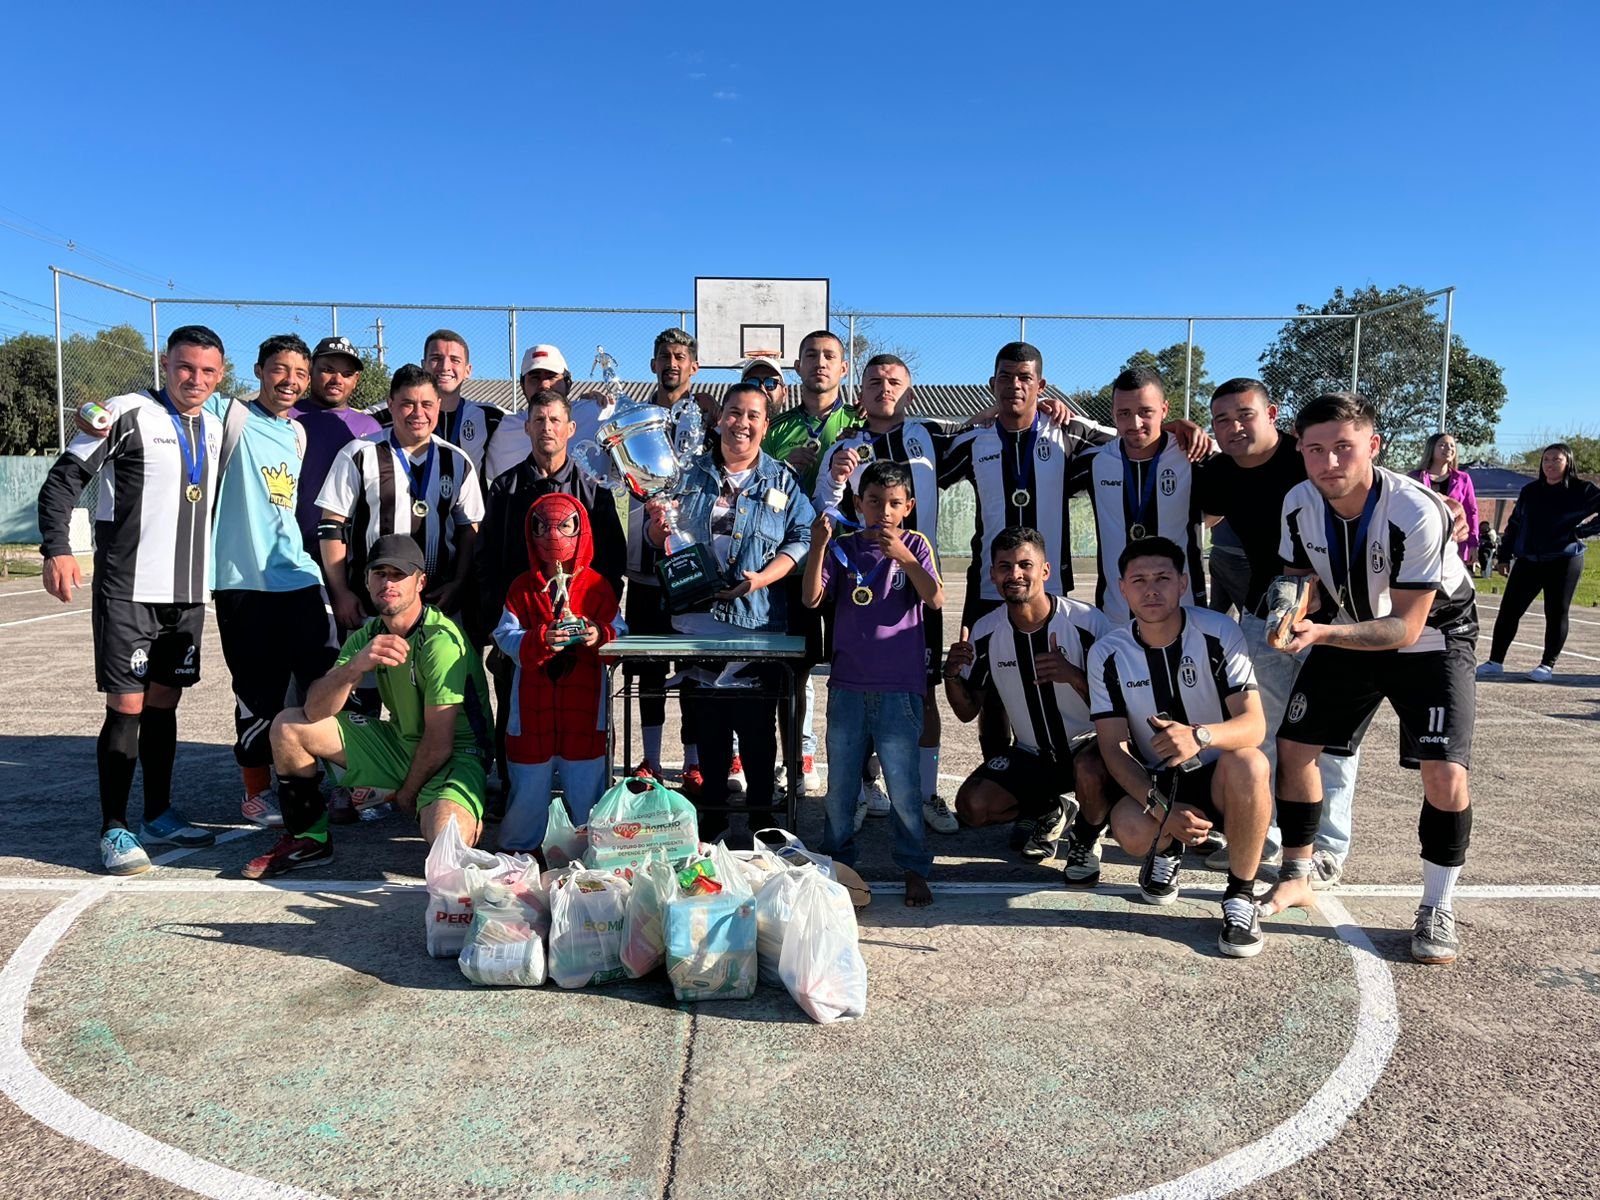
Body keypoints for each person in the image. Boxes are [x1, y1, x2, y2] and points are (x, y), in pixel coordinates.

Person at [1264, 393, 1478, 965]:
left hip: (1432, 637)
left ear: (1373, 446)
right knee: (1295, 747)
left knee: (1444, 771)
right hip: (1347, 625)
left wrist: (1319, 633)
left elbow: (1405, 629)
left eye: (1343, 448)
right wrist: (1287, 607)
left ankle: (1438, 904)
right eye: (1315, 450)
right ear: (1300, 452)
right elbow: (1299, 575)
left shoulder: (1415, 508)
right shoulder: (1297, 502)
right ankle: (1297, 873)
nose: (1329, 462)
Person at [36, 325, 227, 874]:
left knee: (166, 702)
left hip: (187, 593)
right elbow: (64, 480)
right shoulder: (124, 411)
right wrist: (57, 548)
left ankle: (159, 814)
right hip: (127, 588)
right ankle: (114, 829)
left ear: (220, 374)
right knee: (127, 705)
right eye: (186, 367)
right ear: (165, 363)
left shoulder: (215, 427)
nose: (196, 379)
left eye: (208, 371)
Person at [1197, 378, 1357, 888]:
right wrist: (1179, 434)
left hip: (1337, 617)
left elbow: (1368, 480)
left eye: (1245, 415)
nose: (1234, 427)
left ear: (1273, 413)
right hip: (1271, 612)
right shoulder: (1219, 472)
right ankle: (1256, 831)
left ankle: (1327, 846)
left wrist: (1443, 505)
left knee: (1329, 739)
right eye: (1221, 420)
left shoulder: (1306, 456)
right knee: (1259, 730)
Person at [644, 382, 815, 843]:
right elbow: (658, 534)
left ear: (765, 424)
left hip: (757, 621)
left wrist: (761, 578)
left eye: (753, 415)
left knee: (758, 731)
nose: (742, 423)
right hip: (697, 621)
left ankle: (762, 821)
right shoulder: (685, 472)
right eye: (734, 413)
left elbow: (801, 538)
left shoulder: (781, 480)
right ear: (720, 419)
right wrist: (657, 532)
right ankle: (713, 820)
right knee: (709, 729)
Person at [1086, 536, 1272, 958]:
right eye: (1139, 580)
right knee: (1131, 830)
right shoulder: (1107, 654)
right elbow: (1114, 749)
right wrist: (1164, 813)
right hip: (1159, 780)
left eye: (1162, 578)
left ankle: (1240, 897)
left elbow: (1253, 725)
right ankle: (1166, 850)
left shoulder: (1219, 631)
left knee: (1252, 764)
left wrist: (1199, 735)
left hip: (1216, 774)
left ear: (1183, 583)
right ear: (1122, 588)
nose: (1151, 590)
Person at [263, 536, 492, 876]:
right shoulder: (368, 634)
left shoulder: (441, 641)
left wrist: (406, 794)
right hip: (402, 745)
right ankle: (308, 838)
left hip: (455, 756)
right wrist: (354, 668)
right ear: (367, 581)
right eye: (379, 573)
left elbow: (440, 743)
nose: (387, 582)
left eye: (398, 574)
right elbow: (314, 710)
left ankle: (459, 809)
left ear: (420, 581)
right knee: (288, 725)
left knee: (448, 844)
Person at [939, 343, 1116, 758]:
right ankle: (1000, 767)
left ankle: (1059, 771)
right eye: (1005, 377)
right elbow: (930, 461)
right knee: (987, 687)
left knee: (1052, 676)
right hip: (988, 584)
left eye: (1025, 378)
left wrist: (1183, 427)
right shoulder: (974, 439)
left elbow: (1130, 437)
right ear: (992, 383)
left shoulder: (1068, 433)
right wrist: (974, 419)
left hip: (1051, 587)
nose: (1014, 385)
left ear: (1041, 384)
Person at [817, 353, 966, 833]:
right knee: (857, 699)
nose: (885, 388)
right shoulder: (843, 445)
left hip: (917, 587)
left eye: (895, 381)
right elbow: (826, 506)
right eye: (875, 381)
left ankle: (925, 794)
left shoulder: (931, 436)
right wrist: (836, 472)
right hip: (858, 588)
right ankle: (863, 789)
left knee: (922, 695)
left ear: (909, 388)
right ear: (858, 390)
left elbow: (985, 426)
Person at [209, 335, 341, 829]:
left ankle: (322, 780)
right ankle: (256, 792)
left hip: (298, 575)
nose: (291, 381)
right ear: (260, 370)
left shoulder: (297, 434)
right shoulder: (229, 417)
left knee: (324, 680)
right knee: (256, 691)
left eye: (300, 374)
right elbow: (170, 401)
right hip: (243, 580)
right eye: (280, 369)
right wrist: (94, 414)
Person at [803, 461, 943, 906]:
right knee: (841, 788)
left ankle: (914, 866)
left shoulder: (916, 544)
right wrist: (819, 547)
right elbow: (811, 598)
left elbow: (936, 598)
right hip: (848, 686)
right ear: (858, 504)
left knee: (904, 788)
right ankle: (837, 864)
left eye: (894, 503)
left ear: (909, 507)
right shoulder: (843, 547)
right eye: (874, 501)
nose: (883, 511)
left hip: (900, 688)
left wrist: (903, 558)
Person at [477, 388, 626, 796]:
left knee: (584, 720)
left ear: (571, 428)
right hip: (525, 625)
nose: (547, 428)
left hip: (580, 629)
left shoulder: (593, 487)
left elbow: (611, 559)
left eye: (555, 420)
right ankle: (517, 798)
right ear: (526, 427)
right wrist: (500, 624)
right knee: (517, 713)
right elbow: (487, 558)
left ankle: (586, 804)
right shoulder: (505, 488)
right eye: (539, 420)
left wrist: (595, 615)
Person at [942, 527, 1117, 870]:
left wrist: (1073, 676)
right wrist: (950, 675)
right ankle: (1051, 809)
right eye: (1005, 567)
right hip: (1032, 755)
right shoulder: (986, 630)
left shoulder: (1087, 623)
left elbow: (1121, 702)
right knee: (972, 807)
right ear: (992, 574)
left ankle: (1086, 835)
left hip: (1088, 747)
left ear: (1045, 571)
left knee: (1090, 767)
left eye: (1025, 564)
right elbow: (966, 711)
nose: (1015, 574)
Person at [492, 493, 620, 853]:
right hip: (532, 703)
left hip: (584, 699)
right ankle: (519, 848)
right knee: (528, 780)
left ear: (581, 531)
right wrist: (539, 639)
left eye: (564, 526)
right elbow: (505, 636)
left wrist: (598, 634)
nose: (553, 535)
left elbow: (619, 630)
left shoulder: (597, 585)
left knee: (587, 782)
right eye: (543, 527)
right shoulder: (521, 587)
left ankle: (591, 847)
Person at [762, 331, 859, 801]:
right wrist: (785, 466)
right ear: (797, 368)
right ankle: (794, 766)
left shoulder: (858, 422)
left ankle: (860, 776)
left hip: (849, 572)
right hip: (794, 571)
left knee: (856, 672)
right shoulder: (775, 429)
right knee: (792, 674)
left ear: (844, 368)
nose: (819, 364)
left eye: (829, 357)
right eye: (811, 356)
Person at [316, 364, 485, 630]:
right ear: (391, 404)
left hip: (438, 604)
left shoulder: (457, 460)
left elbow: (469, 528)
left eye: (427, 404)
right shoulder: (359, 453)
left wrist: (458, 583)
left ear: (438, 406)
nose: (419, 413)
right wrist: (340, 593)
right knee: (372, 671)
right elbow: (331, 526)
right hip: (371, 604)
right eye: (408, 403)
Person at [624, 328, 713, 783]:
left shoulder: (710, 419)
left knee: (695, 666)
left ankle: (695, 759)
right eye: (664, 356)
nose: (672, 363)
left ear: (694, 366)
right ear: (653, 364)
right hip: (642, 567)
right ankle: (652, 758)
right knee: (649, 667)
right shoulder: (633, 418)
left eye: (681, 356)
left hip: (691, 562)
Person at [1072, 365, 1208, 621]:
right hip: (1116, 616)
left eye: (1146, 412)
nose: (1135, 423)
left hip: (1185, 611)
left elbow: (1219, 511)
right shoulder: (1095, 461)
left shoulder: (1193, 455)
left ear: (1164, 410)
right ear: (1112, 414)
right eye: (1124, 413)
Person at [1479, 442, 1600, 682]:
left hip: (1564, 559)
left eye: (1557, 459)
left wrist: (1583, 531)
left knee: (1556, 612)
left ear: (1568, 463)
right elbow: (1514, 524)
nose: (1550, 464)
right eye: (1546, 460)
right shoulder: (1530, 491)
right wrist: (1504, 556)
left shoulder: (1582, 489)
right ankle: (1495, 660)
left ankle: (1547, 664)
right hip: (1529, 559)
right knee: (1509, 610)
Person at [288, 335, 383, 576]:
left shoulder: (370, 427)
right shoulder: (286, 416)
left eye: (346, 373)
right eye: (328, 370)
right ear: (310, 370)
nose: (337, 379)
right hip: (291, 550)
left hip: (350, 555)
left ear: (356, 379)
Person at [482, 343, 573, 482]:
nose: (544, 385)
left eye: (552, 376)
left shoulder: (596, 413)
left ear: (568, 383)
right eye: (535, 378)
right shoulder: (499, 426)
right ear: (523, 385)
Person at [1410, 433, 1479, 567]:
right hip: (1423, 543)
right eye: (1442, 445)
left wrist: (1473, 544)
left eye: (1452, 445)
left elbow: (1472, 512)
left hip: (1454, 542)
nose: (1448, 448)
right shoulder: (1415, 478)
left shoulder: (1463, 479)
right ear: (1431, 449)